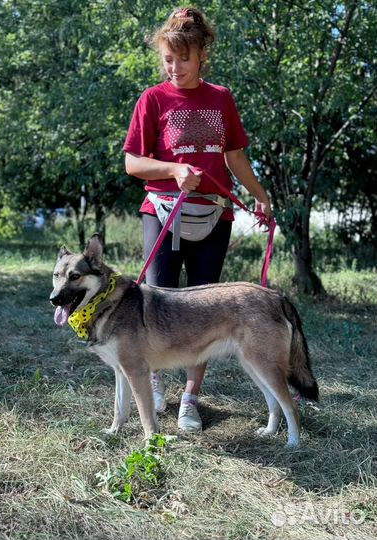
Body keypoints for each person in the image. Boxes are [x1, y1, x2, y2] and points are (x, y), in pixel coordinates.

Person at [123, 7, 272, 433]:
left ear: (203, 53)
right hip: (163, 212)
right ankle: (153, 383)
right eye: (168, 59)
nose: (175, 68)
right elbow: (133, 162)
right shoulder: (152, 99)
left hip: (214, 215)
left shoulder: (221, 98)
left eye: (183, 59)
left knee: (204, 311)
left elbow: (235, 157)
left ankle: (191, 398)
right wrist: (172, 170)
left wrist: (260, 197)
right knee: (156, 304)